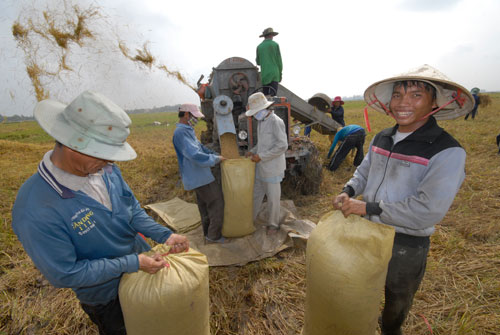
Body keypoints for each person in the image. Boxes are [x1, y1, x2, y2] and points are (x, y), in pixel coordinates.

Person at [12, 91, 189, 335]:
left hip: (143, 269)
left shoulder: (105, 171)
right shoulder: (35, 209)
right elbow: (66, 274)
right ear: (75, 144)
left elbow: (131, 209)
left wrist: (164, 236)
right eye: (104, 155)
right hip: (107, 296)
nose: (109, 164)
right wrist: (133, 263)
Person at [332, 65, 474, 335]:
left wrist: (368, 207)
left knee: (396, 301)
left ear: (435, 103)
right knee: (361, 288)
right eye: (397, 95)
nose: (403, 103)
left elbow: (427, 211)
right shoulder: (382, 138)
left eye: (416, 95)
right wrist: (348, 191)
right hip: (368, 231)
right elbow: (363, 172)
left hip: (406, 243)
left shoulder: (447, 151)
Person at [173, 103, 226, 243]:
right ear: (186, 115)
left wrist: (213, 153)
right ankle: (214, 237)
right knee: (217, 203)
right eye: (194, 116)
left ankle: (207, 234)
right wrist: (215, 159)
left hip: (199, 175)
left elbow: (200, 147)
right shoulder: (181, 133)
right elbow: (195, 155)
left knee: (205, 205)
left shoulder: (188, 130)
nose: (196, 119)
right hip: (199, 176)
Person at [245, 92, 288, 235]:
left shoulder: (276, 121)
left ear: (265, 109)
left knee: (273, 199)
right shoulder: (261, 121)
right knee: (256, 194)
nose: (255, 115)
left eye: (256, 112)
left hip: (273, 168)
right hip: (261, 167)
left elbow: (282, 146)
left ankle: (273, 225)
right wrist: (253, 151)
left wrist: (261, 156)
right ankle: (249, 219)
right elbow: (262, 144)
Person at [256, 27, 283, 97]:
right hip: (274, 74)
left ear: (264, 36)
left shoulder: (259, 47)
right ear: (271, 35)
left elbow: (258, 62)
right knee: (273, 96)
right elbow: (279, 61)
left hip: (264, 75)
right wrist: (280, 74)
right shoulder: (275, 45)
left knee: (265, 97)